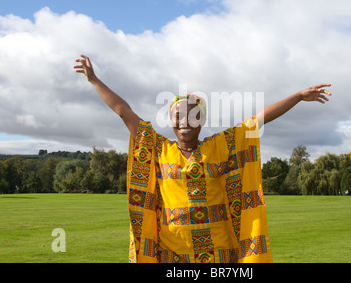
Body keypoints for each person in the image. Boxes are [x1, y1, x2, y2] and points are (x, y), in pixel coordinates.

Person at [75, 54, 332, 263]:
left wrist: (298, 97)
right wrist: (94, 80)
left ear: (202, 120)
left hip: (220, 255)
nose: (184, 122)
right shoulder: (157, 148)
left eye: (192, 116)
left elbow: (258, 121)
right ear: (171, 121)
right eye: (178, 116)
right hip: (170, 254)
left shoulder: (221, 146)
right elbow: (124, 112)